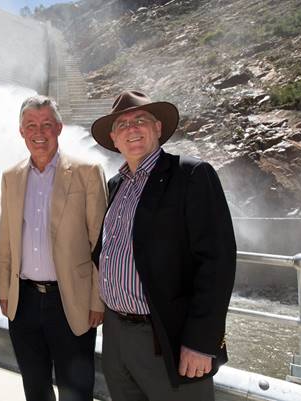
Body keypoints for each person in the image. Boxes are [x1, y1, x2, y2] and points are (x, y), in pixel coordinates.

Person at [90, 90, 236, 401]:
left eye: (140, 120)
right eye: (123, 125)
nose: (132, 129)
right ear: (114, 139)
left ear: (157, 128)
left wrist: (201, 342)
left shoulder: (191, 174)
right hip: (116, 335)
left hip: (166, 337)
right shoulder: (115, 186)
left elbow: (217, 262)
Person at [0, 95, 107, 401]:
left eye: (47, 124)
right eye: (31, 125)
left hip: (71, 301)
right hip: (24, 301)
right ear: (21, 131)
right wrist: (6, 291)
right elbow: (6, 240)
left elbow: (101, 242)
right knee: (35, 389)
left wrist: (97, 301)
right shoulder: (11, 177)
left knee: (76, 393)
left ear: (59, 128)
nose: (39, 132)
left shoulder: (88, 171)